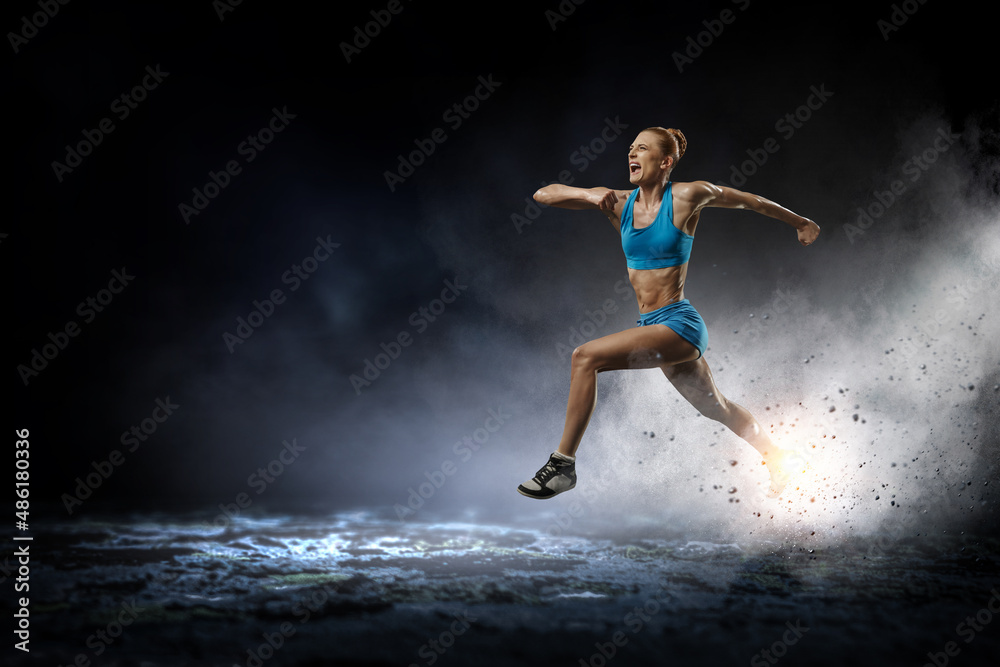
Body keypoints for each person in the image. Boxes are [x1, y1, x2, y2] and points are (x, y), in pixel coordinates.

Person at [516, 126, 820, 500]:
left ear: (665, 161)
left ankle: (562, 465)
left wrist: (801, 222)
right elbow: (544, 194)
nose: (632, 153)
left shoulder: (688, 195)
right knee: (718, 408)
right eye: (630, 148)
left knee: (585, 357)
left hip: (679, 324)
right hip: (652, 326)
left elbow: (749, 200)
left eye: (642, 148)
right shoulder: (618, 202)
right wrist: (588, 195)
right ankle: (778, 457)